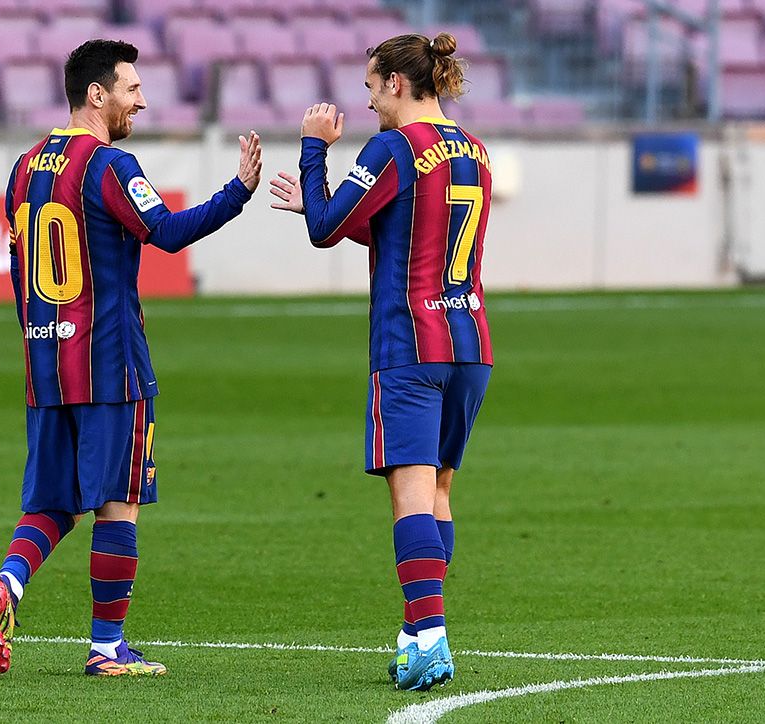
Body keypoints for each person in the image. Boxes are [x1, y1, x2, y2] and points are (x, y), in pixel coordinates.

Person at [0, 38, 262, 677]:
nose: (142, 99)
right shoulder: (110, 164)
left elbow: (20, 270)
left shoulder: (23, 168)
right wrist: (238, 190)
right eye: (132, 89)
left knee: (53, 502)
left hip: (47, 364)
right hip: (111, 364)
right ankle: (107, 648)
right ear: (97, 95)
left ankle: (9, 583)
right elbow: (166, 232)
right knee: (118, 502)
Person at [269, 32, 492, 691]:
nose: (367, 102)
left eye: (370, 88)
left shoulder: (395, 146)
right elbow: (406, 222)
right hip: (470, 342)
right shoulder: (473, 149)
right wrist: (335, 206)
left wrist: (314, 150)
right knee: (441, 489)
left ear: (397, 82)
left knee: (410, 492)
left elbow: (323, 228)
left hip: (410, 344)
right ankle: (414, 634)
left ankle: (430, 639)